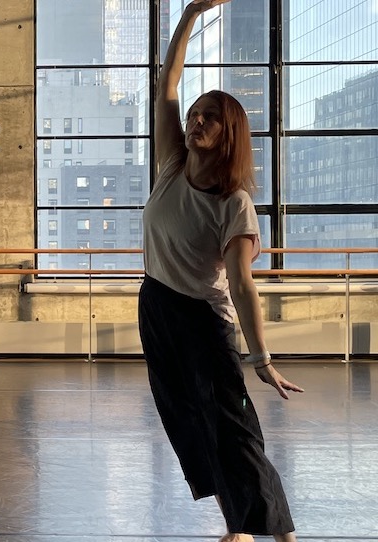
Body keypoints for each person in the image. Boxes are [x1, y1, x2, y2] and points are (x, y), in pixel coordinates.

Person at [139, 1, 305, 541]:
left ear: (228, 130)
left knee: (234, 430)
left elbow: (240, 284)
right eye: (194, 113)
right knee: (190, 426)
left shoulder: (233, 203)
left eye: (209, 116)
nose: (195, 119)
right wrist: (188, 13)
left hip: (203, 322)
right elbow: (168, 85)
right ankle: (238, 525)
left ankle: (279, 531)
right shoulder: (171, 164)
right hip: (157, 306)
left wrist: (260, 357)